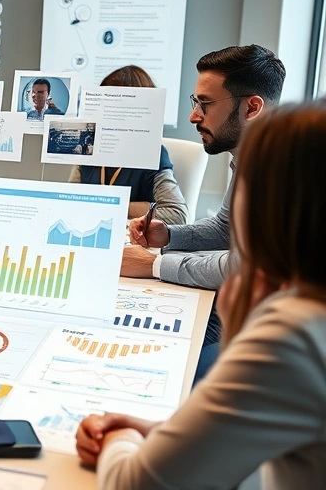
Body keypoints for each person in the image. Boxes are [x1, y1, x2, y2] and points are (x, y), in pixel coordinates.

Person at [75, 105, 326, 490]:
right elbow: (253, 422)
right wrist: (158, 430)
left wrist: (116, 436)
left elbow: (133, 484)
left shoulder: (294, 335)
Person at [120, 44, 285, 382]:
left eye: (205, 104)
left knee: (161, 375)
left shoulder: (282, 169)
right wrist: (168, 237)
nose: (194, 116)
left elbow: (244, 266)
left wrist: (154, 264)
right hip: (238, 305)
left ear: (252, 107)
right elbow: (226, 228)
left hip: (268, 324)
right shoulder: (250, 157)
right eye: (195, 103)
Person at [69, 66, 187, 225]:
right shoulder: (89, 147)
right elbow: (68, 201)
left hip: (133, 243)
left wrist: (112, 205)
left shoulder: (154, 153)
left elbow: (176, 215)